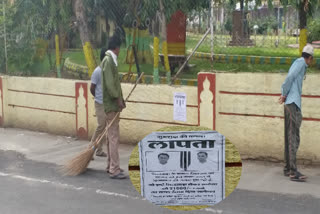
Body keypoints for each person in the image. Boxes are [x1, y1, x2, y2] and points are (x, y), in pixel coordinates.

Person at [279, 44, 314, 182]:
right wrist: (283, 93)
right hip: (292, 103)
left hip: (291, 102)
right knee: (294, 137)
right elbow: (289, 78)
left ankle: (288, 168)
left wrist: (285, 95)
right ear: (309, 58)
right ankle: (293, 171)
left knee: (289, 136)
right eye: (311, 59)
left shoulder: (300, 64)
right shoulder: (300, 63)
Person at [101, 35, 126, 179]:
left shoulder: (108, 61)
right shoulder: (109, 61)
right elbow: (111, 85)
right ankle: (114, 169)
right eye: (120, 48)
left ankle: (110, 164)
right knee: (113, 136)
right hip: (111, 105)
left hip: (111, 104)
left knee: (111, 136)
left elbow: (113, 84)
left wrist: (121, 99)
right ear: (116, 48)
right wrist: (118, 99)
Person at [89, 47, 108, 158]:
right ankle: (90, 149)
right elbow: (92, 88)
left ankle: (99, 150)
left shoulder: (108, 71)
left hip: (107, 103)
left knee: (105, 126)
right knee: (101, 126)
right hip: (99, 103)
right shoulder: (97, 71)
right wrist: (98, 97)